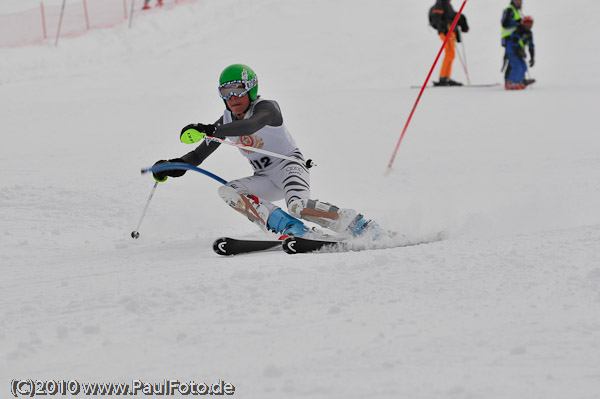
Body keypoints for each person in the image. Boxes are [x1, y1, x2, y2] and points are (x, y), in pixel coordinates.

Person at [151, 64, 379, 238]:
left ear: (251, 88)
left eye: (238, 90)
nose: (232, 98)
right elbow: (197, 155)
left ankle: (361, 227)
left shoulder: (268, 108)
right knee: (229, 191)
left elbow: (250, 126)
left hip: (290, 168)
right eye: (226, 92)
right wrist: (174, 165)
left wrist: (213, 129)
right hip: (265, 180)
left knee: (298, 206)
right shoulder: (225, 121)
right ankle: (291, 228)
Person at [429, 0, 469, 86]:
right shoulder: (440, 3)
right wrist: (444, 27)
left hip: (451, 33)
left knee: (451, 54)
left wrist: (462, 21)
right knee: (450, 53)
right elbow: (436, 18)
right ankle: (443, 77)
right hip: (447, 32)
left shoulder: (447, 5)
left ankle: (445, 77)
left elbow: (453, 16)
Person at [505, 16, 535, 90]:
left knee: (524, 66)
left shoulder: (529, 33)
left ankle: (519, 81)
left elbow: (531, 46)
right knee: (517, 66)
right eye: (526, 24)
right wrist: (520, 51)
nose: (528, 26)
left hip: (519, 51)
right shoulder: (518, 30)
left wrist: (532, 57)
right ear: (523, 23)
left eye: (529, 24)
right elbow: (514, 42)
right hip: (511, 50)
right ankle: (511, 82)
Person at [501, 0, 523, 84]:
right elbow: (504, 23)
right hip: (509, 38)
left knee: (517, 58)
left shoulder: (516, 11)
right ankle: (508, 80)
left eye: (519, 1)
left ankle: (518, 78)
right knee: (511, 58)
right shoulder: (509, 10)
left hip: (516, 38)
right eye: (516, 1)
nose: (518, 3)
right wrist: (517, 22)